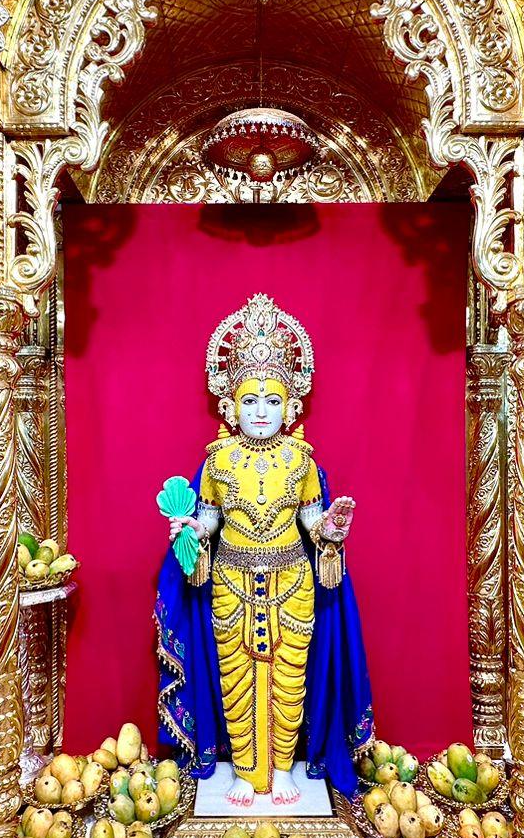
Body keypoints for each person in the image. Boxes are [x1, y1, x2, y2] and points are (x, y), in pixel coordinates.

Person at [156, 294, 373, 807]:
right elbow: (211, 518)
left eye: (272, 401)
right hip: (230, 584)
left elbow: (309, 522)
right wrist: (189, 526)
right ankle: (243, 772)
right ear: (230, 407)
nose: (260, 411)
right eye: (249, 401)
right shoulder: (217, 461)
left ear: (292, 406)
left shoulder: (301, 460)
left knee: (287, 678)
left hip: (292, 584)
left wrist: (332, 527)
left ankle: (278, 771)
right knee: (236, 677)